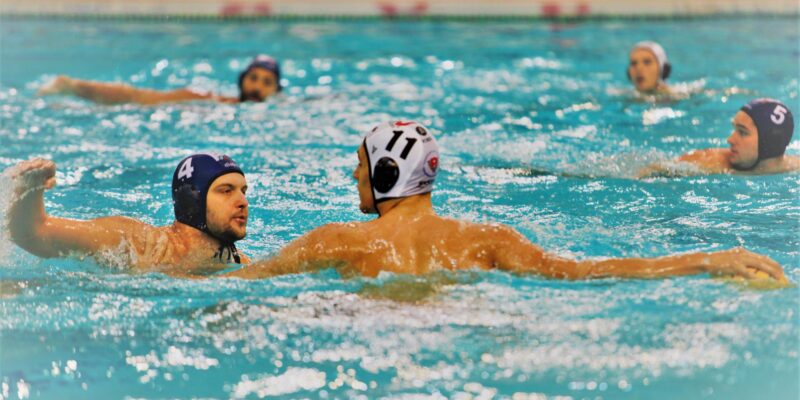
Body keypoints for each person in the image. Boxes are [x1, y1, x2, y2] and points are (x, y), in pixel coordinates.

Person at [224, 121, 786, 282]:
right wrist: (707, 259)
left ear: (388, 172)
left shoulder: (336, 240)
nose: (354, 175)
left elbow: (239, 284)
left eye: (361, 164)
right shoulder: (486, 239)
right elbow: (588, 272)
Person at [4, 153, 251, 271]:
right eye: (226, 191)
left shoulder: (237, 261)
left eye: (243, 191)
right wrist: (30, 190)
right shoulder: (135, 242)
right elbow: (33, 234)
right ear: (193, 201)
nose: (242, 201)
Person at [639, 98, 799, 177]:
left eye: (742, 132)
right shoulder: (709, 162)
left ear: (768, 142)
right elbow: (649, 171)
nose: (730, 139)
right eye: (735, 130)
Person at [37, 55, 281, 105]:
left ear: (276, 91)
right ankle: (74, 86)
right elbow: (136, 96)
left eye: (267, 82)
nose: (257, 86)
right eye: (253, 78)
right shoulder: (205, 98)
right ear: (242, 80)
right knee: (139, 99)